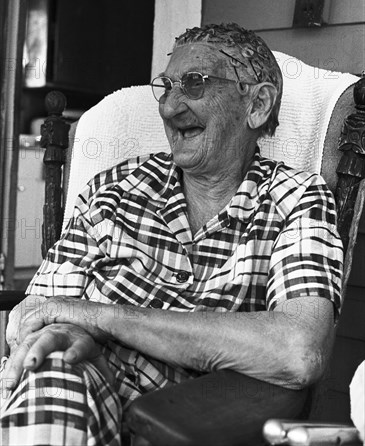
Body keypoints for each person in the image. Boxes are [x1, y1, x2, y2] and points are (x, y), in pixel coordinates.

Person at [0, 23, 343, 445]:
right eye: (166, 86)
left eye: (195, 84)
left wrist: (99, 318)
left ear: (257, 104)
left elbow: (298, 350)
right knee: (49, 371)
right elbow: (37, 312)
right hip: (76, 380)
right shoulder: (114, 189)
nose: (168, 107)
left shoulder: (298, 199)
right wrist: (64, 332)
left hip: (190, 419)